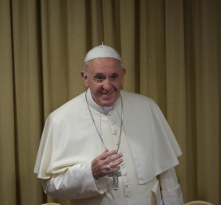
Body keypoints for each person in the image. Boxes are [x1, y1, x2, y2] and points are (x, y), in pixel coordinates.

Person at [34, 44, 184, 205]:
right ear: (85, 78)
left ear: (123, 75)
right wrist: (90, 172)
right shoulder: (60, 119)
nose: (107, 86)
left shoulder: (147, 107)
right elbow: (50, 186)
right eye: (99, 78)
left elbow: (167, 172)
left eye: (113, 77)